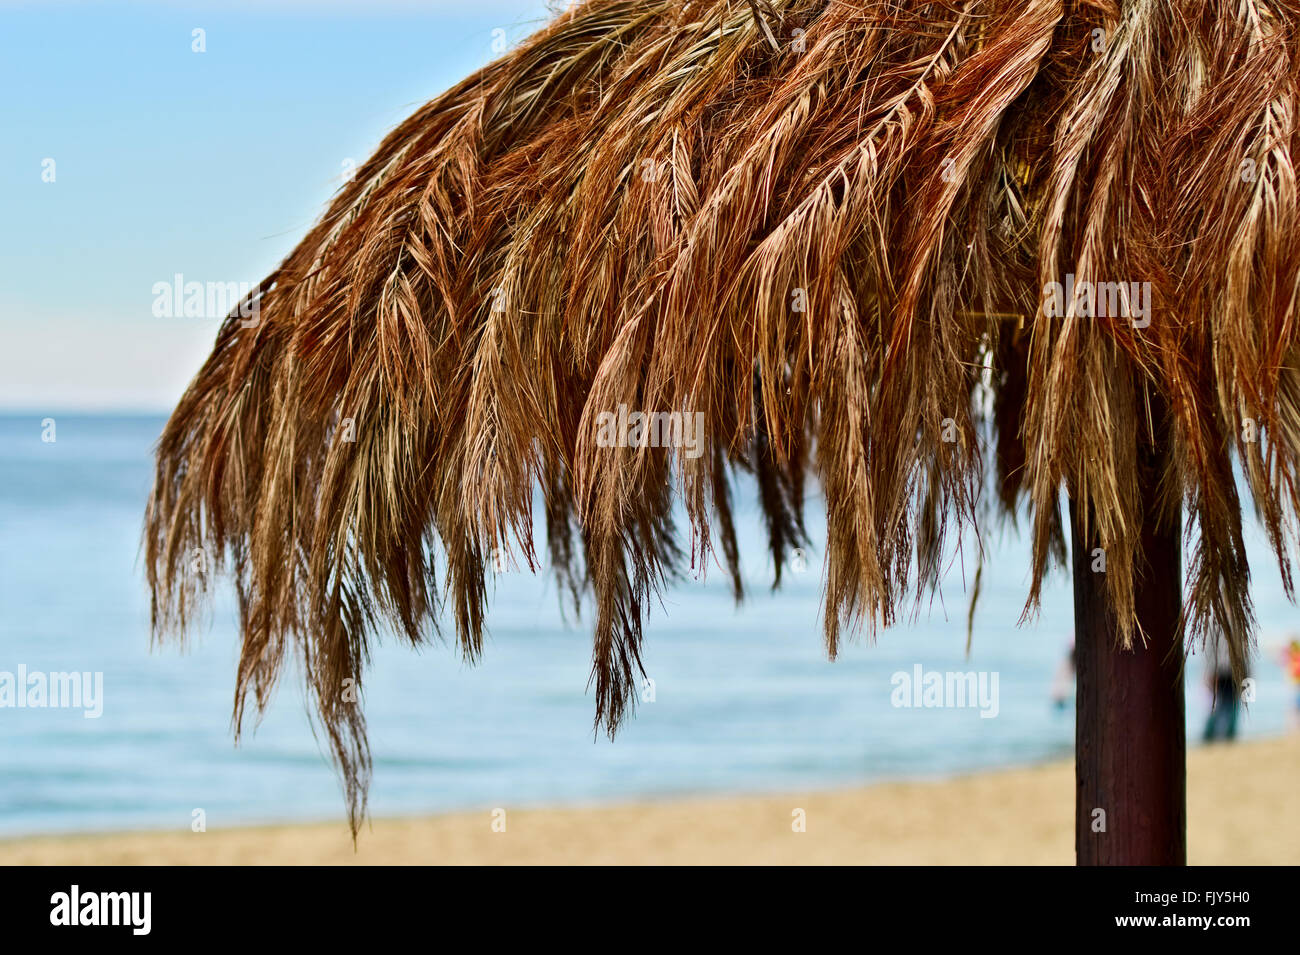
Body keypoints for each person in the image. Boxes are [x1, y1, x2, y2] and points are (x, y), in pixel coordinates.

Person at [1202, 637, 1243, 742]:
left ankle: (1229, 736)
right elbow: (1210, 650)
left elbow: (1245, 653)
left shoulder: (1238, 627)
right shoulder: (1215, 624)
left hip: (1234, 672)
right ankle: (1209, 736)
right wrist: (1210, 673)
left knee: (1233, 707)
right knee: (1220, 706)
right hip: (1221, 672)